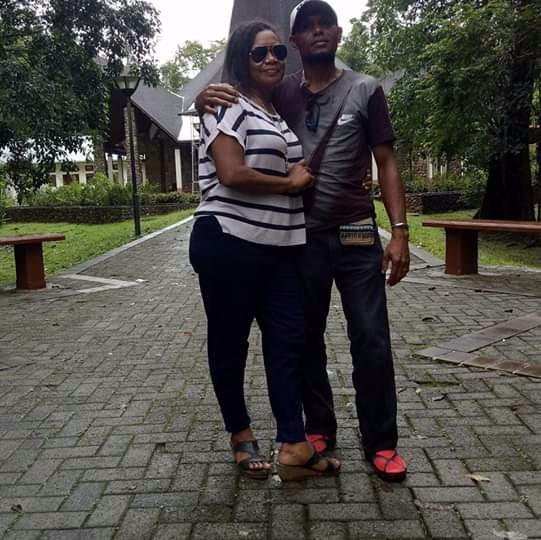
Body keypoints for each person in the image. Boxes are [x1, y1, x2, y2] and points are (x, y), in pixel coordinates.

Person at [196, 1, 410, 482]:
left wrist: (399, 231)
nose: (316, 32)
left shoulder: (363, 89)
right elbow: (231, 136)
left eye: (324, 24)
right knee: (301, 340)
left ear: (338, 32)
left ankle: (380, 442)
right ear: (295, 42)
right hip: (296, 241)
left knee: (370, 339)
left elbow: (386, 160)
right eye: (305, 28)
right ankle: (314, 432)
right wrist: (204, 96)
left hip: (354, 235)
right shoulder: (277, 93)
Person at [189, 20, 341, 481]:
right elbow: (231, 173)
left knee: (288, 342)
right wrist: (289, 183)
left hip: (280, 250)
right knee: (230, 343)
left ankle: (293, 443)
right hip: (229, 241)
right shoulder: (226, 103)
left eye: (277, 51)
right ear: (242, 59)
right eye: (260, 53)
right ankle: (240, 434)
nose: (271, 58)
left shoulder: (275, 112)